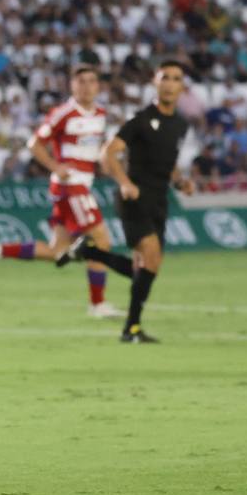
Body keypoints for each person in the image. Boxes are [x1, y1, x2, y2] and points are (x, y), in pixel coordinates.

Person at [0, 64, 123, 318]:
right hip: (70, 185)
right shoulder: (63, 113)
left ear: (98, 86)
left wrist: (104, 162)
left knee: (57, 252)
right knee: (102, 241)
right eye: (81, 81)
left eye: (91, 81)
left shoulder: (100, 114)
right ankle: (97, 304)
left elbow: (92, 148)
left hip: (83, 183)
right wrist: (55, 165)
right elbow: (34, 143)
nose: (86, 86)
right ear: (72, 86)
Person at [61, 60, 195, 343]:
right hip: (135, 198)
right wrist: (124, 183)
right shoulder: (141, 120)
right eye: (165, 78)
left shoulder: (181, 125)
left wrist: (180, 181)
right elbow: (108, 154)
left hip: (160, 199)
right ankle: (131, 328)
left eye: (176, 79)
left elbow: (166, 162)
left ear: (182, 87)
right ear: (155, 84)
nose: (170, 83)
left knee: (148, 267)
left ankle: (92, 254)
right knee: (151, 257)